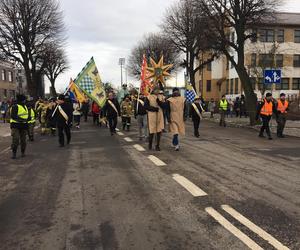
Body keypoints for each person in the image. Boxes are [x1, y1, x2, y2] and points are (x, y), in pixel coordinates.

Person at [9, 94, 29, 159]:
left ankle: (23, 152)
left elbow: (26, 115)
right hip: (15, 125)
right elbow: (13, 116)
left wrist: (28, 119)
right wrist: (22, 120)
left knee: (23, 140)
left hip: (23, 126)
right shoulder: (15, 106)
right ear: (22, 100)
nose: (25, 101)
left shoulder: (25, 106)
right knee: (16, 139)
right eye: (24, 100)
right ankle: (14, 153)